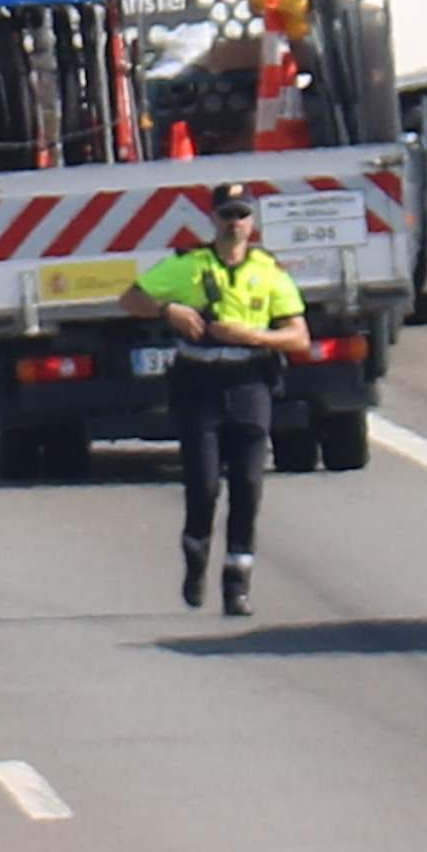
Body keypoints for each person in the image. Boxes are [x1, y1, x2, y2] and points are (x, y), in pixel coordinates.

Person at [132, 184, 312, 616]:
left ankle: (237, 582)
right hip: (200, 382)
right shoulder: (190, 266)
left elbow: (298, 336)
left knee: (248, 485)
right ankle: (195, 558)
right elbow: (130, 298)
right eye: (227, 215)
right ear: (213, 220)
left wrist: (252, 335)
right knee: (204, 484)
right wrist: (168, 310)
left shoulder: (269, 273)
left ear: (252, 223)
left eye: (242, 215)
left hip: (250, 380)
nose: (235, 224)